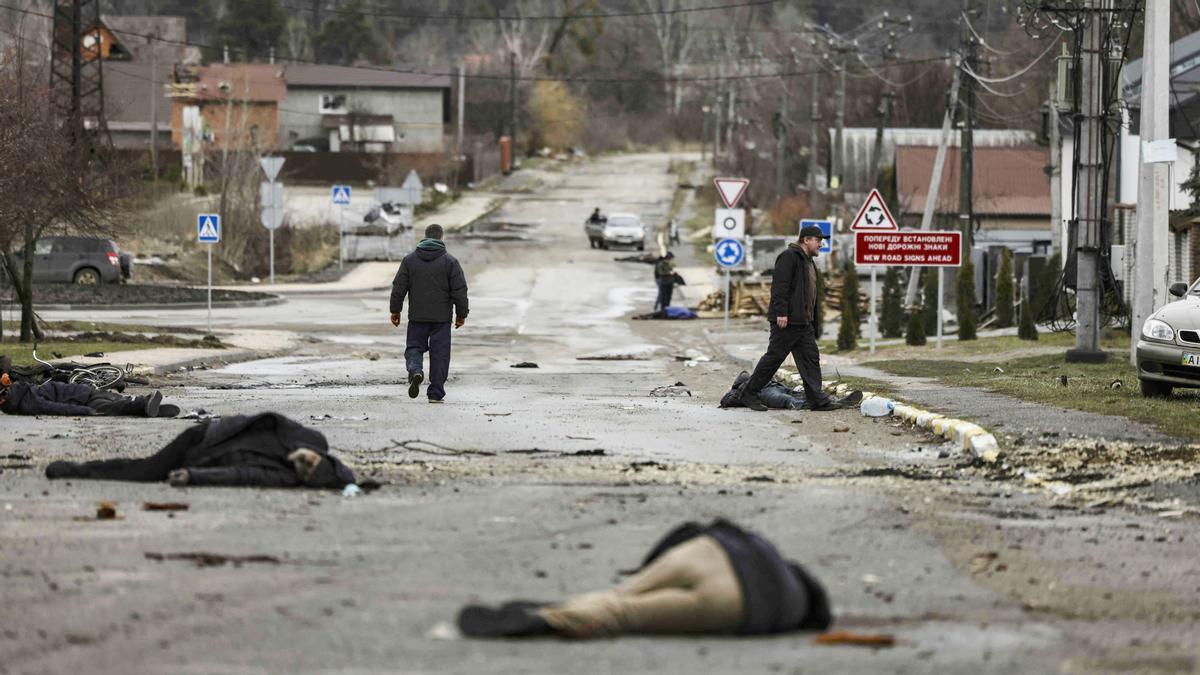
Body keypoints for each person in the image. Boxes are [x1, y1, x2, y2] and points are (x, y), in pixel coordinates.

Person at [457, 519, 831, 638]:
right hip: (737, 602)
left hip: (707, 550)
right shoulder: (792, 607)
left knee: (621, 594)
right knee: (627, 615)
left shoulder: (767, 550)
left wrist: (647, 569)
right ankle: (553, 619)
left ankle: (592, 600)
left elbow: (689, 530)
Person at [45, 412, 356, 489]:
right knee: (145, 471)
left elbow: (240, 475)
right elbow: (265, 419)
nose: (300, 465)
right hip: (203, 437)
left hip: (201, 457)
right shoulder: (309, 437)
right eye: (310, 462)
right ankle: (72, 470)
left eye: (305, 471)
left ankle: (76, 469)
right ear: (319, 456)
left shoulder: (286, 476)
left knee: (145, 469)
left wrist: (193, 476)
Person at [739, 224, 838, 412]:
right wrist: (780, 313)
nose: (821, 244)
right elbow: (779, 287)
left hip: (803, 322)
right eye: (818, 240)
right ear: (806, 240)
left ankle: (817, 400)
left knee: (810, 358)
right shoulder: (789, 257)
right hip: (788, 321)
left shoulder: (808, 261)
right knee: (774, 359)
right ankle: (748, 393)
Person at [390, 224, 469, 403]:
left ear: (425, 237)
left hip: (417, 316)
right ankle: (435, 392)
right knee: (440, 354)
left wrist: (395, 310)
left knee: (414, 348)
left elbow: (398, 287)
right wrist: (461, 314)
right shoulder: (450, 262)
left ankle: (416, 370)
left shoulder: (409, 260)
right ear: (441, 237)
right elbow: (460, 290)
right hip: (441, 318)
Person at [0, 374, 179, 418]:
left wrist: (86, 411)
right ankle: (144, 407)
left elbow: (57, 408)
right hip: (84, 391)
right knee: (117, 402)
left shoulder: (26, 402)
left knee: (112, 408)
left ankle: (143, 404)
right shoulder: (22, 389)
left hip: (84, 400)